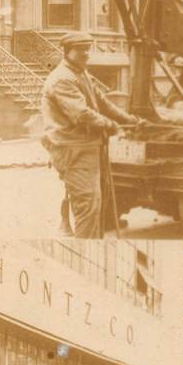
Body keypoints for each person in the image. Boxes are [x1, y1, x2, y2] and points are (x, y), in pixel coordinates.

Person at [41, 32, 140, 238]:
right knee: (88, 207)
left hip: (87, 147)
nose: (87, 53)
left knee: (97, 206)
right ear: (68, 52)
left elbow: (103, 102)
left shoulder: (80, 72)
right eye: (81, 49)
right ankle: (84, 251)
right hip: (72, 150)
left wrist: (130, 120)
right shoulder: (62, 79)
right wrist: (112, 126)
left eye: (88, 48)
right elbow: (82, 115)